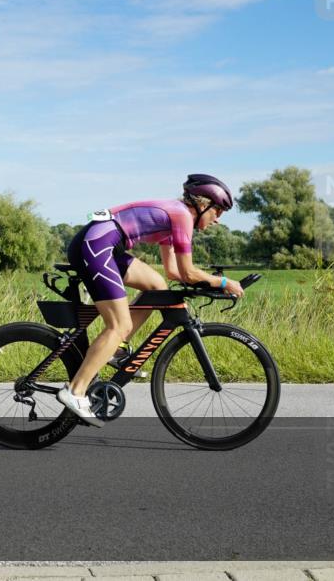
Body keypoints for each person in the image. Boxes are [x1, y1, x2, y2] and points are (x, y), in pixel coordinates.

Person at [56, 174, 245, 427]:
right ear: (201, 204)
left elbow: (174, 273)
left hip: (105, 243)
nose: (218, 220)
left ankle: (116, 348)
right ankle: (76, 391)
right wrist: (223, 282)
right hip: (96, 244)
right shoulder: (181, 216)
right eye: (218, 211)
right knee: (118, 324)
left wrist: (208, 284)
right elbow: (188, 273)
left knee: (156, 286)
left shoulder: (175, 217)